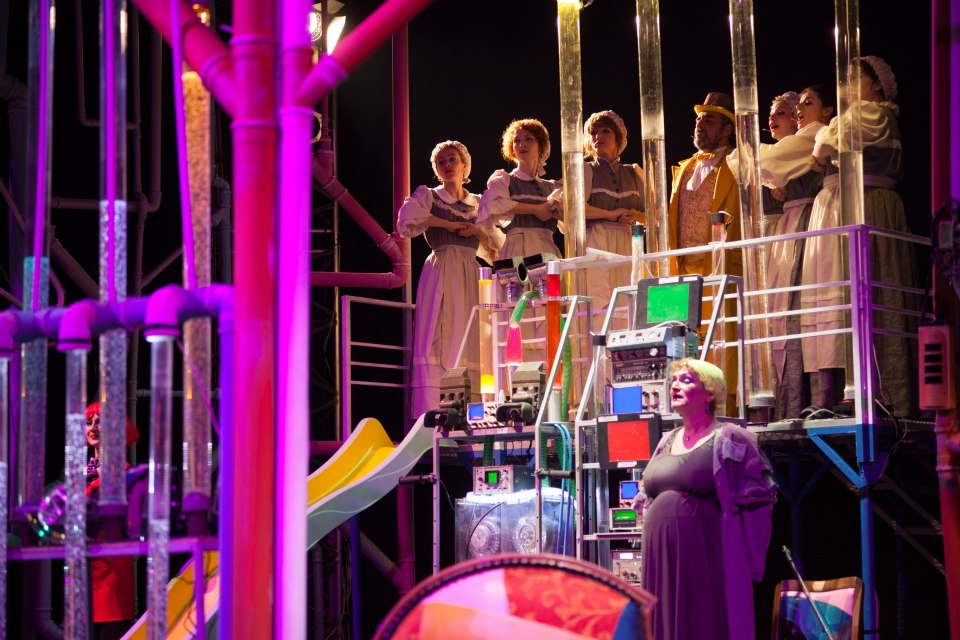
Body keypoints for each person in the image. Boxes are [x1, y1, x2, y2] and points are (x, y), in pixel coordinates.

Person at [800, 56, 918, 416]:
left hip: (870, 203)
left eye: (855, 78)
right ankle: (844, 392)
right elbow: (829, 137)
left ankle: (884, 394)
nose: (846, 85)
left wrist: (821, 144)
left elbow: (835, 136)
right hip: (852, 202)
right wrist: (823, 142)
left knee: (874, 290)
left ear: (877, 85)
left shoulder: (876, 113)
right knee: (845, 294)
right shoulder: (853, 115)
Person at [638, 358, 777, 640]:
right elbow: (648, 494)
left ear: (710, 392)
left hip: (703, 554)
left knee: (701, 622)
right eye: (674, 380)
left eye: (686, 380)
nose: (675, 386)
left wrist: (747, 564)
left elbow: (758, 506)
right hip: (660, 556)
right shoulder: (666, 440)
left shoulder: (731, 438)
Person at [728, 88, 833, 418]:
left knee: (793, 309)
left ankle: (799, 399)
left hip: (804, 224)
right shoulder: (795, 145)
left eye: (782, 112)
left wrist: (770, 172)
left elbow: (766, 162)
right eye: (772, 114)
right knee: (775, 313)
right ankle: (776, 401)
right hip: (784, 231)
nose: (774, 119)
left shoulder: (814, 135)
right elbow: (754, 165)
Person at [398, 140, 494, 419]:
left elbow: (496, 243)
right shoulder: (430, 196)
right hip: (441, 267)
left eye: (452, 159)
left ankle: (470, 408)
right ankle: (435, 407)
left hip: (469, 270)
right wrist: (447, 225)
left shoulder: (478, 202)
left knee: (470, 330)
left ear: (465, 165)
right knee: (438, 330)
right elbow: (407, 219)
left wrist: (475, 231)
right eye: (441, 162)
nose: (447, 165)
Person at [667, 92, 742, 412]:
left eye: (709, 120)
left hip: (719, 266)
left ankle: (726, 407)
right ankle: (687, 407)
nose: (700, 124)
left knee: (722, 342)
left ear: (727, 129)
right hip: (682, 271)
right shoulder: (684, 167)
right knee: (686, 346)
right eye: (698, 118)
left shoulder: (738, 164)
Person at [581, 110, 645, 328]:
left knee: (629, 297)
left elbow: (654, 215)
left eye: (605, 131)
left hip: (627, 242)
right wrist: (609, 214)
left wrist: (636, 216)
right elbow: (573, 211)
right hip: (597, 241)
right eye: (593, 133)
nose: (598, 136)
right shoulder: (586, 170)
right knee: (601, 299)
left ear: (618, 136)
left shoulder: (634, 172)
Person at [85, 401, 139, 640]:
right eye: (89, 422)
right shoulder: (84, 473)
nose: (93, 427)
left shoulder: (122, 473)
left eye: (100, 422)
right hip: (85, 581)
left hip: (111, 583)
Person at [477, 118, 562, 262]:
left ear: (540, 145)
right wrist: (536, 210)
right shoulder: (505, 180)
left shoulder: (552, 187)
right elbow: (494, 205)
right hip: (517, 249)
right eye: (517, 141)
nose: (522, 144)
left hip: (547, 249)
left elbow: (570, 220)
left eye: (528, 139)